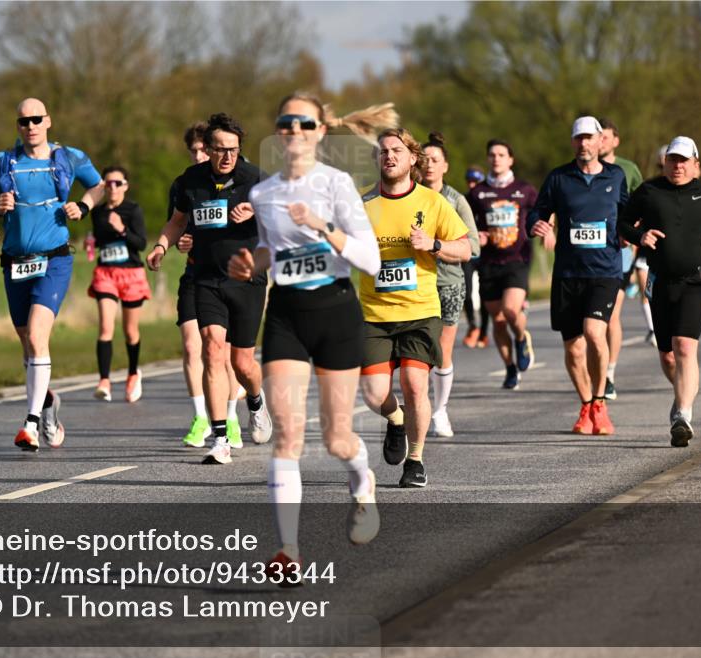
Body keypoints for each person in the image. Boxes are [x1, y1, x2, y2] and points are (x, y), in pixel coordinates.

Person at [228, 92, 391, 576]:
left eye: (304, 123)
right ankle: (289, 552)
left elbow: (370, 259)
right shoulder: (262, 194)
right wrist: (249, 265)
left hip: (336, 310)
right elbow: (267, 251)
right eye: (286, 123)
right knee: (288, 435)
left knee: (339, 438)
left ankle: (363, 486)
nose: (294, 130)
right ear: (279, 132)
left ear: (320, 131)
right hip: (286, 314)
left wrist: (321, 226)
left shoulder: (337, 184)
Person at [0, 98, 104, 450]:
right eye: (23, 121)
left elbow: (98, 186)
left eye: (36, 119)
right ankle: (47, 403)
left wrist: (83, 205)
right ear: (17, 126)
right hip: (15, 261)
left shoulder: (68, 157)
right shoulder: (3, 161)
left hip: (55, 259)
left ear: (48, 121)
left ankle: (30, 423)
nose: (30, 126)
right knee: (28, 343)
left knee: (36, 335)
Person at [147, 113, 273, 464]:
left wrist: (256, 213)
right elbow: (177, 222)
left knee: (243, 361)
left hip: (248, 278)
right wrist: (160, 246)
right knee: (212, 350)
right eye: (220, 150)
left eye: (233, 149)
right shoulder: (191, 181)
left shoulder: (256, 178)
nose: (227, 156)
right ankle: (220, 437)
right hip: (206, 278)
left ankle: (256, 400)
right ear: (208, 149)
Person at [360, 128, 472, 488]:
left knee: (413, 383)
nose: (388, 156)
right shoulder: (362, 205)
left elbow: (465, 248)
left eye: (396, 150)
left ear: (412, 159)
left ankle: (416, 459)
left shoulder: (433, 202)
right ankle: (396, 421)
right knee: (375, 393)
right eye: (383, 151)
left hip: (420, 310)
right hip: (374, 314)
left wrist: (434, 244)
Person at [618, 137, 701, 446]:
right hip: (661, 281)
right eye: (673, 159)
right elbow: (623, 223)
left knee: (684, 347)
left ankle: (683, 414)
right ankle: (682, 395)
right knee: (668, 356)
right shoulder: (649, 191)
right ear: (665, 162)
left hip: (696, 280)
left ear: (696, 164)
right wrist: (640, 235)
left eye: (684, 160)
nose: (678, 165)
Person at [526, 116, 628, 436]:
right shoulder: (559, 178)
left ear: (601, 141)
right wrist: (537, 224)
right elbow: (537, 211)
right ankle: (585, 405)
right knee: (573, 348)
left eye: (589, 138)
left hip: (605, 270)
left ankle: (600, 402)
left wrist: (631, 234)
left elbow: (627, 214)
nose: (584, 144)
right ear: (573, 143)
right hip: (568, 272)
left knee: (595, 333)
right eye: (578, 139)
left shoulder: (616, 176)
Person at [169, 123, 245, 448]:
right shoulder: (185, 184)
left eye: (205, 149)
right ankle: (201, 417)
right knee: (192, 347)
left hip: (227, 277)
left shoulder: (238, 180)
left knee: (222, 355)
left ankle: (230, 416)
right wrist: (177, 244)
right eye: (195, 151)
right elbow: (175, 227)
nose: (200, 155)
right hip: (194, 274)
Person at [421, 132, 479, 437]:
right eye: (424, 160)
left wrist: (436, 246)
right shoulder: (411, 197)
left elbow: (474, 246)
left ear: (445, 166)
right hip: (414, 283)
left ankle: (440, 410)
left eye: (435, 160)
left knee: (442, 350)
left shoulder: (456, 200)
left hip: (448, 283)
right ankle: (417, 405)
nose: (429, 165)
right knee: (415, 352)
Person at [468, 138, 538, 390]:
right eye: (492, 155)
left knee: (510, 310)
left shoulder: (525, 190)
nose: (496, 158)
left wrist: (548, 229)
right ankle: (510, 368)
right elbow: (465, 223)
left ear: (511, 160)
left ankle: (521, 337)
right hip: (488, 262)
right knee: (497, 320)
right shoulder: (477, 193)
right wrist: (477, 234)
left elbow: (542, 212)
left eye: (501, 154)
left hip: (517, 259)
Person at [87, 166, 150, 403]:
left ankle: (133, 372)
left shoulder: (133, 210)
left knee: (130, 331)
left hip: (131, 274)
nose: (112, 188)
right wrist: (92, 242)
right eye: (108, 183)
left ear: (125, 186)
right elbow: (101, 240)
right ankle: (104, 380)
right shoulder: (98, 212)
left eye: (117, 183)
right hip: (106, 273)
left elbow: (141, 243)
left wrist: (122, 229)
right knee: (105, 327)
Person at [598, 118, 644, 399]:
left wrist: (633, 233)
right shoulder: (583, 169)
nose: (600, 141)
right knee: (592, 321)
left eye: (605, 137)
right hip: (588, 254)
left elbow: (642, 205)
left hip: (621, 251)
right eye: (596, 136)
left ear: (616, 140)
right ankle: (599, 368)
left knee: (611, 314)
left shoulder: (628, 169)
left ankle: (609, 374)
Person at [462, 166, 490, 348]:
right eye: (470, 181)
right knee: (466, 291)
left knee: (485, 294)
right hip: (469, 253)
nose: (473, 185)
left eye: (476, 182)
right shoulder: (463, 200)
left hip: (486, 253)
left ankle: (484, 332)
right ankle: (473, 325)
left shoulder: (488, 200)